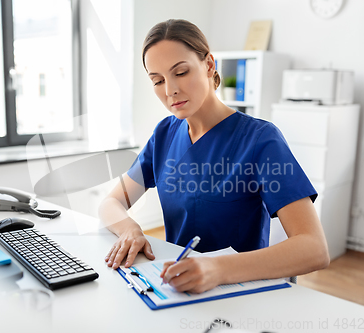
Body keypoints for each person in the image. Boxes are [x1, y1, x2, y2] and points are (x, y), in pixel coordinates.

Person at [98, 19, 329, 294]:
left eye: (181, 72)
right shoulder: (165, 135)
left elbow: (314, 248)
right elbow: (111, 202)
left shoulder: (260, 140)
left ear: (209, 65)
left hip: (239, 291)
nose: (170, 90)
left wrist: (218, 269)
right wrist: (129, 229)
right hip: (177, 288)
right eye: (157, 80)